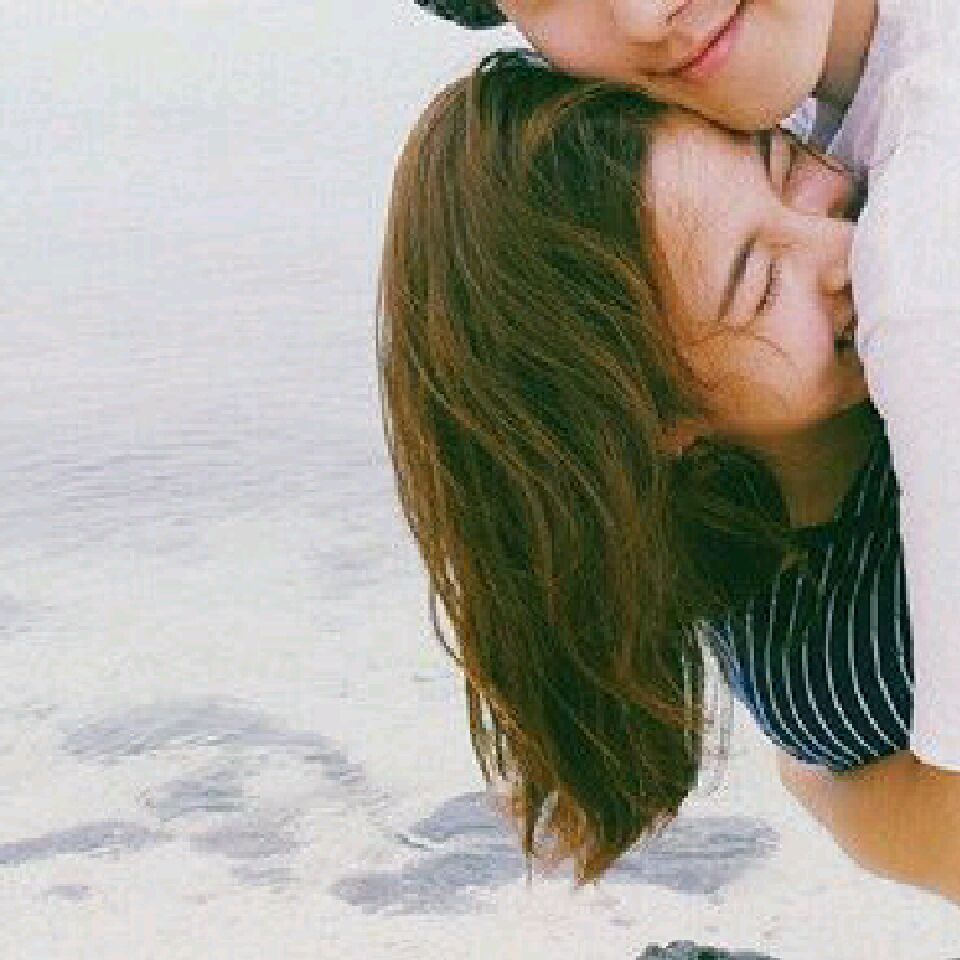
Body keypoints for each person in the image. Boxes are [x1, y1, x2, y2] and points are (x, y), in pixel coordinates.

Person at [379, 51, 960, 901]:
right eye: (762, 284)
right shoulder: (844, 647)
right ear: (653, 422)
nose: (844, 249)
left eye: (783, 166)